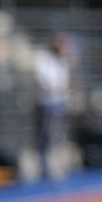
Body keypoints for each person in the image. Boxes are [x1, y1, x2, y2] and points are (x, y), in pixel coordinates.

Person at [34, 33, 72, 179]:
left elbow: (64, 80)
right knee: (45, 135)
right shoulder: (43, 58)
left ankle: (56, 165)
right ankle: (44, 167)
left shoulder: (61, 60)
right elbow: (44, 81)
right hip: (47, 102)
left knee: (57, 135)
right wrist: (59, 86)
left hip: (59, 102)